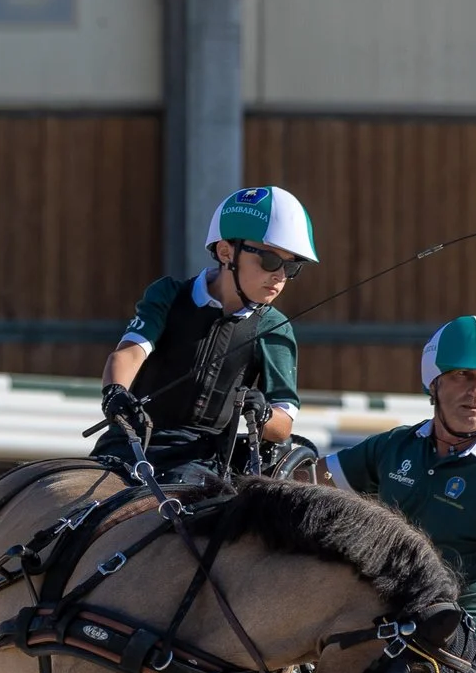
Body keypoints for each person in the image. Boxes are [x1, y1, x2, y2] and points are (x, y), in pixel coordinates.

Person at [327, 315, 476, 646]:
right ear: (433, 384)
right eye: (462, 375)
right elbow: (312, 480)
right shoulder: (396, 445)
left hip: (451, 647)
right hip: (377, 628)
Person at [96, 186, 317, 479]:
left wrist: (264, 415)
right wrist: (115, 391)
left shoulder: (274, 327)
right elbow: (129, 354)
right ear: (226, 252)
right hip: (127, 443)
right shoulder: (168, 294)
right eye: (271, 261)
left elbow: (284, 424)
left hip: (200, 463)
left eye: (291, 267)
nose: (279, 275)